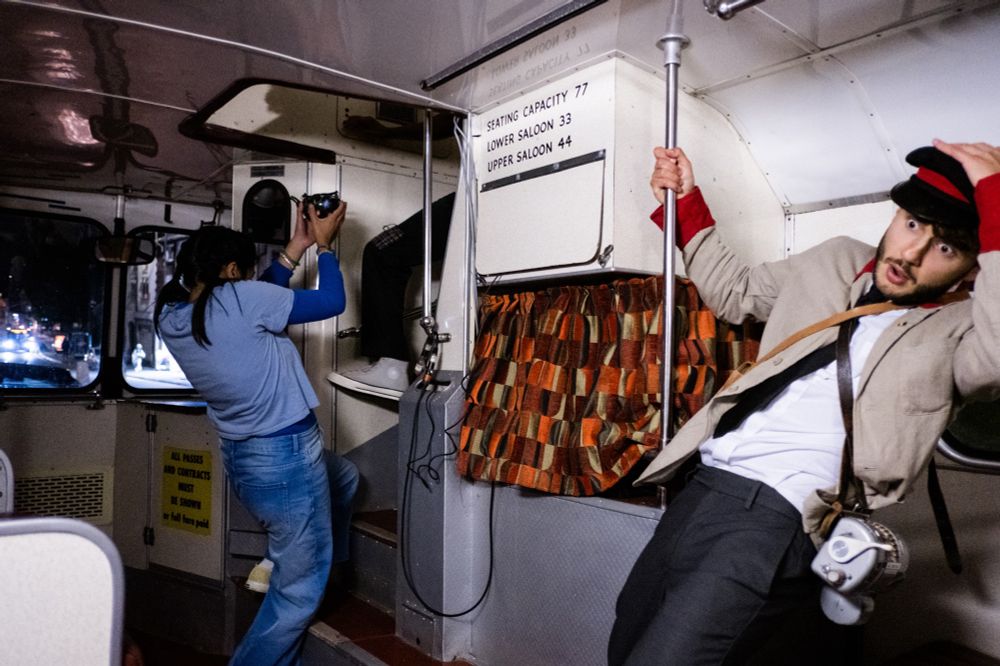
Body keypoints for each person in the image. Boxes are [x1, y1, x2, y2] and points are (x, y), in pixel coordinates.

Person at [607, 139, 1000, 666]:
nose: (910, 254)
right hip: (701, 486)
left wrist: (996, 197)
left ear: (974, 267)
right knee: (626, 641)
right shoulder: (836, 258)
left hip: (777, 517)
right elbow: (736, 292)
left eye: (946, 248)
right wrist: (685, 198)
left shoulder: (963, 329)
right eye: (910, 225)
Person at [154, 200, 359, 666]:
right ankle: (302, 569)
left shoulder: (173, 314)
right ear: (231, 269)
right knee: (294, 600)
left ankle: (308, 558)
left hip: (247, 459)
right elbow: (331, 302)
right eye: (244, 271)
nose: (249, 278)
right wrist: (323, 248)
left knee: (344, 477)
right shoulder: (244, 301)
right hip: (286, 459)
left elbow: (248, 302)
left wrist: (294, 250)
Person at [332, 192, 454, 394]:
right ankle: (391, 365)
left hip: (478, 193)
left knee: (381, 251)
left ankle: (392, 365)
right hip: (481, 191)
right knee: (381, 252)